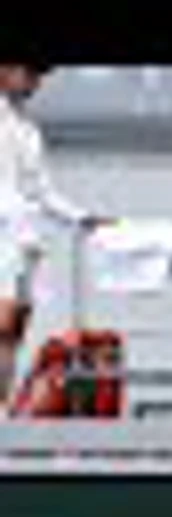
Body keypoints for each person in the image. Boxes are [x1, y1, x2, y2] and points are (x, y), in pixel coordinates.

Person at [0, 65, 97, 401]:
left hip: (25, 239)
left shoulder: (28, 129)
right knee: (3, 319)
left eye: (38, 77)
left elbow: (42, 191)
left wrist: (82, 218)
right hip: (3, 235)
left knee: (15, 330)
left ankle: (2, 414)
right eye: (28, 74)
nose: (34, 83)